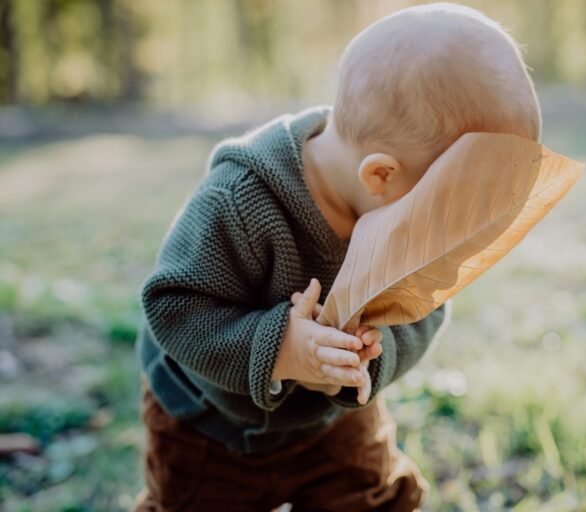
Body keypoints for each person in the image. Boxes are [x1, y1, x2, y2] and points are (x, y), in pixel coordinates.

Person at [134, 3, 541, 510]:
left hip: (333, 422)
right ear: (381, 176)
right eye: (445, 210)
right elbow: (175, 307)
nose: (446, 233)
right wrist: (283, 349)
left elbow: (425, 306)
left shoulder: (398, 206)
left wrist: (367, 358)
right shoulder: (241, 200)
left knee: (366, 498)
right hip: (210, 424)